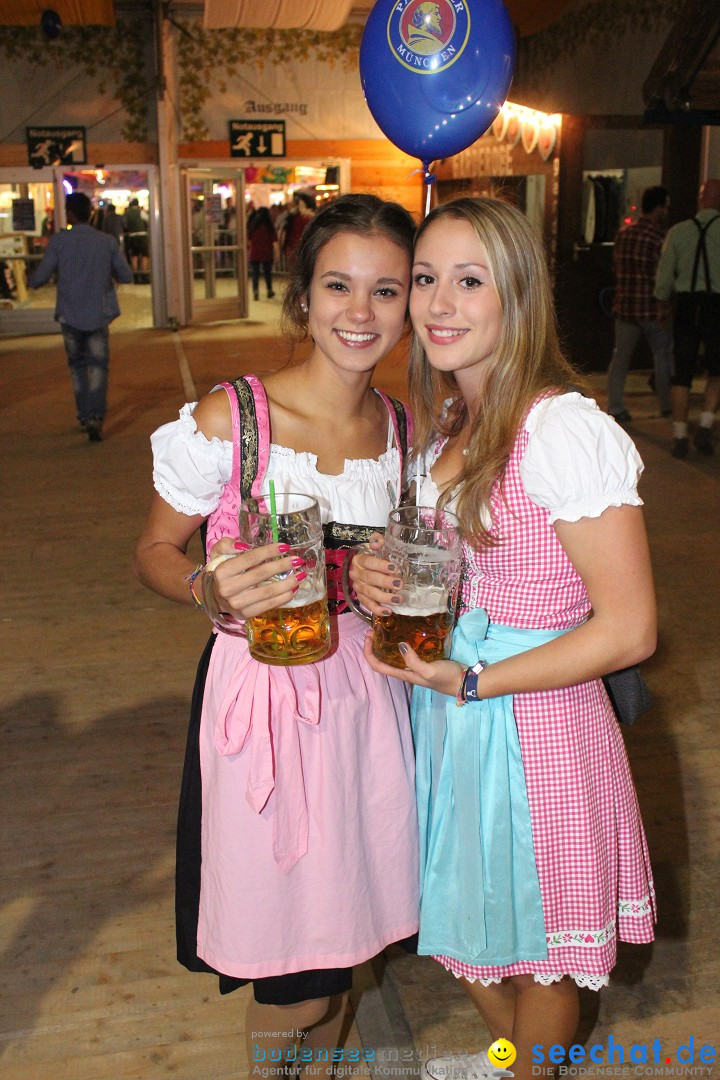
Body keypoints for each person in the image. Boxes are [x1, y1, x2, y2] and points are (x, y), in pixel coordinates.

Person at [351, 197, 656, 1080]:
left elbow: (631, 628)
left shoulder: (562, 429)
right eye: (425, 279)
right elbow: (445, 561)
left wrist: (476, 679)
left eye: (469, 280)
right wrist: (377, 571)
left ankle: (525, 1071)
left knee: (541, 946)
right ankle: (514, 1060)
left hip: (534, 720)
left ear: (517, 296)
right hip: (450, 715)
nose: (439, 303)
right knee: (459, 926)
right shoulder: (451, 420)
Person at [133, 194, 419, 1075]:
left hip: (369, 701)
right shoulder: (232, 419)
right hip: (260, 704)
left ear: (414, 304)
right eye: (339, 286)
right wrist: (203, 586)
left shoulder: (403, 431)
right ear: (303, 298)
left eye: (386, 290)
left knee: (346, 946)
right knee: (292, 972)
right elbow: (151, 547)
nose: (360, 313)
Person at [29, 191, 132, 442]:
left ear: (71, 214)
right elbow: (126, 274)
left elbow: (40, 277)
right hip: (98, 313)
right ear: (90, 213)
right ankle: (96, 416)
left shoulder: (59, 242)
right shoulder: (106, 241)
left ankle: (85, 415)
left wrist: (33, 281)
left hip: (70, 314)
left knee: (77, 367)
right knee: (98, 366)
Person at [655, 177, 720, 458]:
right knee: (717, 369)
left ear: (701, 199)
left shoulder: (678, 232)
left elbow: (664, 276)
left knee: (681, 372)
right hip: (717, 306)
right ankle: (705, 424)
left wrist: (661, 305)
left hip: (687, 305)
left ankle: (680, 434)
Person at [606, 185, 672, 423]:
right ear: (658, 207)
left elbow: (616, 268)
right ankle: (667, 405)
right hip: (652, 308)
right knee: (662, 356)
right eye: (665, 206)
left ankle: (615, 405)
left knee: (620, 358)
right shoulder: (659, 237)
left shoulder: (624, 233)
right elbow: (663, 275)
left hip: (624, 306)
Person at [247, 205, 276, 300]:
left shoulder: (253, 226)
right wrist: (276, 253)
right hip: (266, 252)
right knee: (267, 273)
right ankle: (269, 290)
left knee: (255, 273)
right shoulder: (269, 226)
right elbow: (274, 240)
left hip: (255, 252)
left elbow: (249, 238)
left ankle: (255, 292)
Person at [122, 197, 150, 283]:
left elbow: (124, 224)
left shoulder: (127, 213)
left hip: (132, 236)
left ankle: (136, 276)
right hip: (142, 235)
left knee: (134, 256)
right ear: (137, 205)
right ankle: (144, 276)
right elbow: (148, 220)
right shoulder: (140, 212)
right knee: (145, 255)